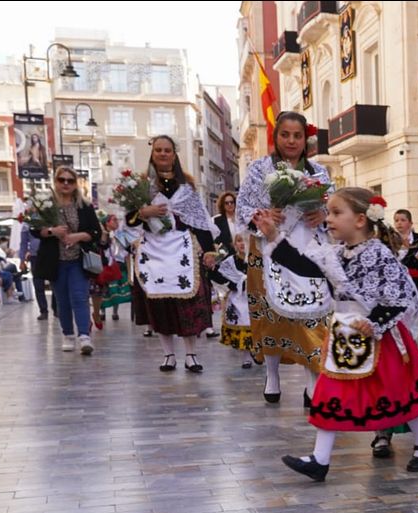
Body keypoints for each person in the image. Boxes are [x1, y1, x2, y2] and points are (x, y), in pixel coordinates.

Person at [260, 188, 418, 482]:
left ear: (360, 220)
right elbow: (304, 266)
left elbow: (398, 296)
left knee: (399, 392)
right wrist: (272, 237)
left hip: (380, 335)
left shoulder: (379, 253)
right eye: (329, 213)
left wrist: (373, 323)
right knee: (329, 392)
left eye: (336, 213)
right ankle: (320, 459)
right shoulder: (335, 254)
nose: (328, 219)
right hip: (345, 331)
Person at [236, 111, 332, 405]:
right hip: (267, 250)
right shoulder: (258, 169)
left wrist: (323, 214)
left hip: (307, 250)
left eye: (297, 135)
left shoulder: (319, 173)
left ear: (306, 139)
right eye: (285, 135)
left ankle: (312, 382)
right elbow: (243, 206)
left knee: (313, 314)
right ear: (275, 137)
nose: (291, 141)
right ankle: (272, 375)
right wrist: (265, 215)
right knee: (270, 316)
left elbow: (334, 206)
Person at [127, 136, 220, 373]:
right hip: (154, 251)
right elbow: (128, 219)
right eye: (158, 150)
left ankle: (191, 354)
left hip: (182, 250)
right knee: (161, 304)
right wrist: (144, 211)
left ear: (174, 155)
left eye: (167, 150)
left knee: (188, 303)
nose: (163, 154)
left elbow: (199, 221)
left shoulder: (186, 188)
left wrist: (209, 250)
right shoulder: (142, 186)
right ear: (153, 154)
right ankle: (168, 354)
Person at [32, 165, 103, 355]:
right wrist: (51, 231)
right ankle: (68, 334)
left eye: (70, 181)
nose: (65, 184)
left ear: (75, 184)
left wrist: (78, 236)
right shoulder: (46, 204)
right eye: (61, 180)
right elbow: (34, 229)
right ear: (55, 182)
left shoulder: (84, 205)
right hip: (55, 261)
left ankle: (84, 336)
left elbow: (96, 232)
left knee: (80, 297)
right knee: (62, 300)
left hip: (78, 260)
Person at [213, 191, 254, 368]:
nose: (230, 205)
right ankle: (245, 355)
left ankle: (256, 351)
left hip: (254, 296)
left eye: (233, 202)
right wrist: (230, 283)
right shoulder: (230, 261)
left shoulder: (255, 260)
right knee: (242, 321)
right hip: (238, 296)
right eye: (227, 202)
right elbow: (217, 273)